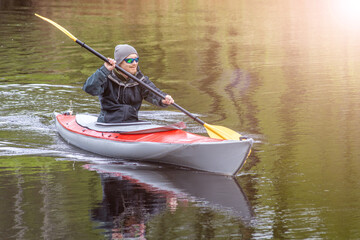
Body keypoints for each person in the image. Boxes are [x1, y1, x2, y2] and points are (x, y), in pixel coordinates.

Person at [83, 44, 174, 123]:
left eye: (136, 59)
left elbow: (153, 93)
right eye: (130, 61)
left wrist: (163, 99)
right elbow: (89, 88)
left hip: (131, 123)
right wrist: (104, 70)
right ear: (119, 63)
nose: (134, 63)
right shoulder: (106, 78)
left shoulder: (140, 80)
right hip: (108, 123)